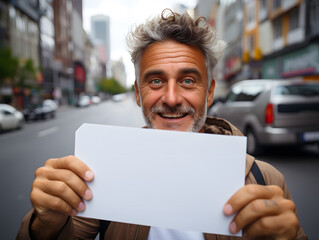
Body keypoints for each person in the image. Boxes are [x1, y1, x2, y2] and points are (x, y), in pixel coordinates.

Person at [17, 9, 307, 240]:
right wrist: (44, 225)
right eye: (155, 81)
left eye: (188, 81)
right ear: (137, 93)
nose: (170, 98)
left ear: (209, 92)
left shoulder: (264, 178)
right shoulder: (102, 172)